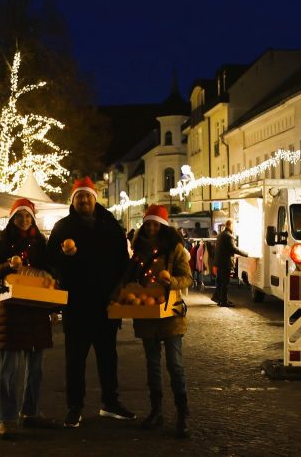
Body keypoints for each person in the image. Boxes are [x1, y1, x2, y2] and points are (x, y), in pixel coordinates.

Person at [47, 176, 134, 428]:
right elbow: (50, 260)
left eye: (87, 196)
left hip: (107, 303)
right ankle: (75, 406)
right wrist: (63, 257)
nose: (84, 200)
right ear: (73, 201)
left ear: (95, 198)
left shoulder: (111, 224)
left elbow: (123, 262)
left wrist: (120, 288)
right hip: (76, 304)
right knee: (75, 359)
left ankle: (111, 402)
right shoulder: (62, 227)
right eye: (79, 196)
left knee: (108, 357)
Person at [0, 199, 56, 439]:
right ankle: (5, 418)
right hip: (13, 308)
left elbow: (50, 267)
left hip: (36, 307)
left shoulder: (40, 242)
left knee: (36, 367)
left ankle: (31, 412)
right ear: (13, 218)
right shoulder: (2, 241)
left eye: (27, 216)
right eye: (20, 216)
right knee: (9, 368)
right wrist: (8, 264)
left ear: (32, 218)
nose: (24, 220)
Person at [125, 205, 192, 438]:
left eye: (156, 224)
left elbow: (187, 278)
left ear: (163, 226)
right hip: (146, 312)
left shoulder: (175, 249)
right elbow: (131, 276)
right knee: (152, 365)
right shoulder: (138, 249)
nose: (152, 228)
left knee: (175, 365)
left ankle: (182, 413)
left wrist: (171, 281)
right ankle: (156, 411)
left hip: (171, 314)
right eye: (148, 224)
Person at [213, 220, 248, 307]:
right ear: (231, 225)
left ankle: (221, 300)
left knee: (221, 282)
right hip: (225, 263)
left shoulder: (221, 234)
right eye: (234, 225)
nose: (234, 227)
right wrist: (245, 253)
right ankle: (224, 302)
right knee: (225, 283)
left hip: (220, 262)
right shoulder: (228, 236)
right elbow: (233, 249)